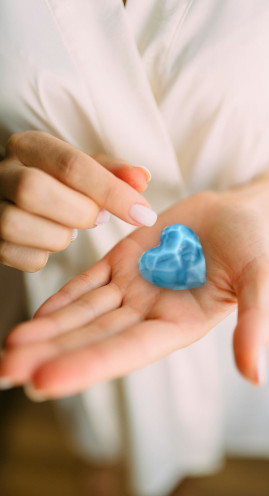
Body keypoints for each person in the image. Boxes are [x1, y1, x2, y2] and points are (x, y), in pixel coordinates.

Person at [1, 1, 269, 495]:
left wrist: (262, 204)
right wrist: (11, 176)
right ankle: (122, 459)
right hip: (88, 287)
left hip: (247, 279)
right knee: (110, 427)